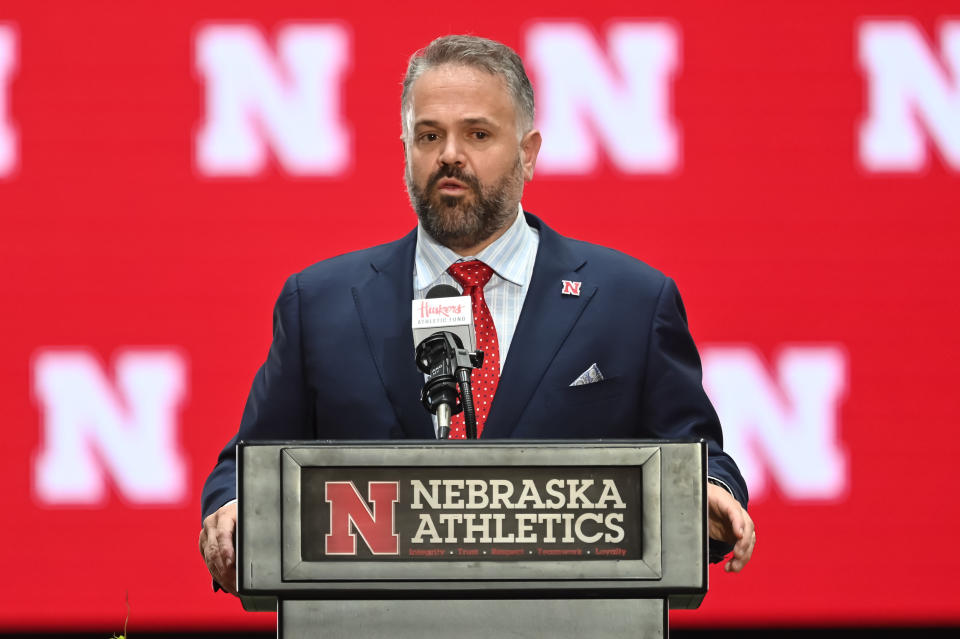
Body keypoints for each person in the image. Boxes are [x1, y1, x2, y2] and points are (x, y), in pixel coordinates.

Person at [199, 35, 756, 595]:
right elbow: (247, 467)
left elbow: (697, 454)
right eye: (429, 135)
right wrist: (231, 507)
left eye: (478, 134)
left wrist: (710, 488)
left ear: (529, 151)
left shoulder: (630, 301)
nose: (449, 154)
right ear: (406, 149)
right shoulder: (320, 303)